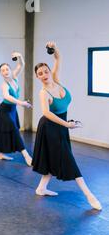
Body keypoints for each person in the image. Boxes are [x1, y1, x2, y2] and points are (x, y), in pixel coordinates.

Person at [32, 41, 102, 210]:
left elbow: (58, 58)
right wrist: (67, 125)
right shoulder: (44, 92)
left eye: (46, 71)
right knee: (68, 159)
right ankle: (89, 195)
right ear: (37, 77)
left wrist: (54, 48)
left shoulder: (56, 80)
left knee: (51, 158)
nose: (44, 74)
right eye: (40, 73)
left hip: (61, 126)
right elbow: (47, 113)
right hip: (50, 127)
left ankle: (41, 188)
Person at [0, 52, 33, 166]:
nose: (5, 71)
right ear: (0, 73)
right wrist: (22, 103)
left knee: (8, 131)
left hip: (12, 110)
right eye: (3, 70)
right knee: (14, 130)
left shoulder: (14, 77)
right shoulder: (4, 85)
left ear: (10, 69)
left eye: (7, 69)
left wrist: (19, 56)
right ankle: (26, 156)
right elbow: (7, 96)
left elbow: (21, 65)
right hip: (3, 111)